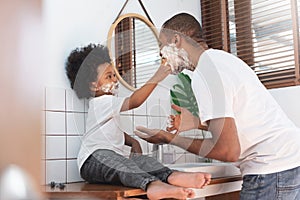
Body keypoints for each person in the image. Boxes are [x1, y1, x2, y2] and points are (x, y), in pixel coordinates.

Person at [135, 13, 300, 200]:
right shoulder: (222, 60)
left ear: (176, 40)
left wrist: (169, 138)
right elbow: (241, 120)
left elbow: (228, 151)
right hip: (289, 163)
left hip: (270, 170)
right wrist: (197, 123)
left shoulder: (206, 72)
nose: (161, 54)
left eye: (162, 46)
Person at [65, 43, 211, 200]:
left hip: (109, 157)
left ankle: (172, 176)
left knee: (144, 162)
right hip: (93, 160)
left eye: (115, 75)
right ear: (93, 85)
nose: (115, 80)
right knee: (122, 165)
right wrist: (157, 76)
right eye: (109, 76)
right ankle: (153, 185)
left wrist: (133, 142)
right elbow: (134, 101)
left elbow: (107, 131)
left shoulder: (106, 106)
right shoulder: (102, 101)